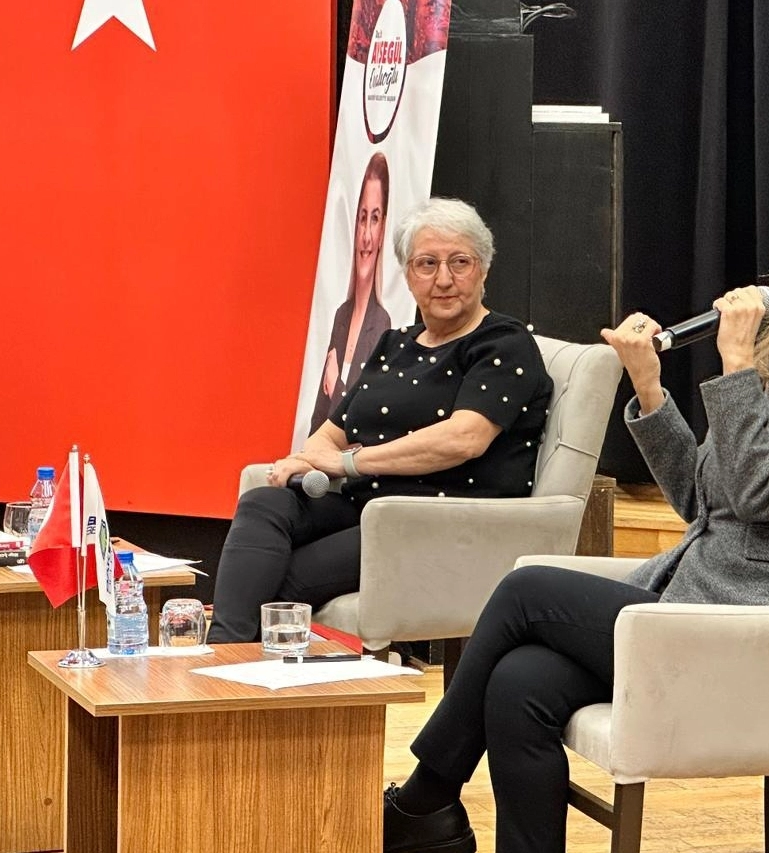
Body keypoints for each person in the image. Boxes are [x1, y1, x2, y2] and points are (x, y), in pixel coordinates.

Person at [382, 187, 769, 853]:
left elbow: (765, 491)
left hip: (760, 636)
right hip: (696, 612)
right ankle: (437, 822)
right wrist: (649, 386)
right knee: (519, 683)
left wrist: (737, 366)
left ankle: (424, 800)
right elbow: (703, 501)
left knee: (527, 589)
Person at [207, 198, 554, 644]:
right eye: (427, 264)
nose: (443, 279)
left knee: (279, 580)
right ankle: (222, 655)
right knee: (263, 503)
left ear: (483, 270)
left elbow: (463, 439)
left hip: (434, 520)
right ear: (407, 275)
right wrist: (308, 459)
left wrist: (347, 464)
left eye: (460, 262)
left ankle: (224, 661)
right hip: (367, 507)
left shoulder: (504, 344)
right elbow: (331, 433)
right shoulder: (396, 343)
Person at [309, 151, 395, 434]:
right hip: (321, 456)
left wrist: (336, 384)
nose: (366, 236)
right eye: (362, 218)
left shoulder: (382, 325)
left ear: (383, 231)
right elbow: (318, 417)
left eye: (375, 219)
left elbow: (364, 421)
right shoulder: (341, 316)